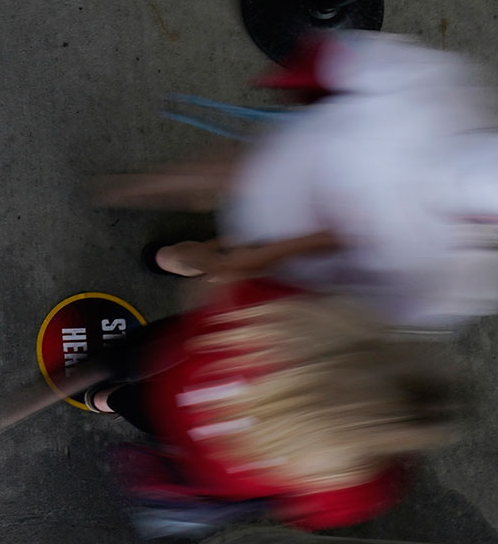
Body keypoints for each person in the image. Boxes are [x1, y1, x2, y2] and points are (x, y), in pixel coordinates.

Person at [104, 31, 498, 331]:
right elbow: (385, 309)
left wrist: (299, 91)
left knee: (208, 203)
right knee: (220, 245)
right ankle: (169, 251)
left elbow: (336, 59)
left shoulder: (445, 94)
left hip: (284, 176)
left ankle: (141, 213)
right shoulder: (463, 274)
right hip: (286, 214)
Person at [5, 279, 460, 538]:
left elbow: (222, 292)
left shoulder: (297, 320)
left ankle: (94, 381)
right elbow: (303, 513)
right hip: (196, 447)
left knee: (135, 357)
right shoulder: (359, 485)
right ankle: (105, 400)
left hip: (176, 361)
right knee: (136, 406)